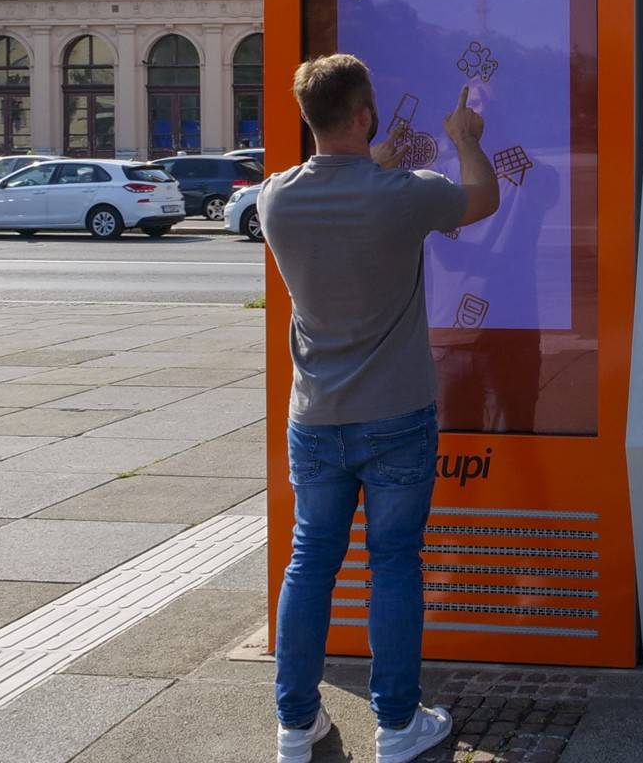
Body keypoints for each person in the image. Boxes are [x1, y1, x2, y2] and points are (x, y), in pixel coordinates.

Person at [262, 55, 500, 763]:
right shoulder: (404, 194)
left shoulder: (276, 198)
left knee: (311, 564)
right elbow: (481, 199)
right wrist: (465, 137)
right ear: (364, 114)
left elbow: (341, 182)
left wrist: (371, 158)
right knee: (394, 563)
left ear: (309, 118)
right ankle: (398, 728)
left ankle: (295, 727)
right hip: (398, 414)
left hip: (316, 418)